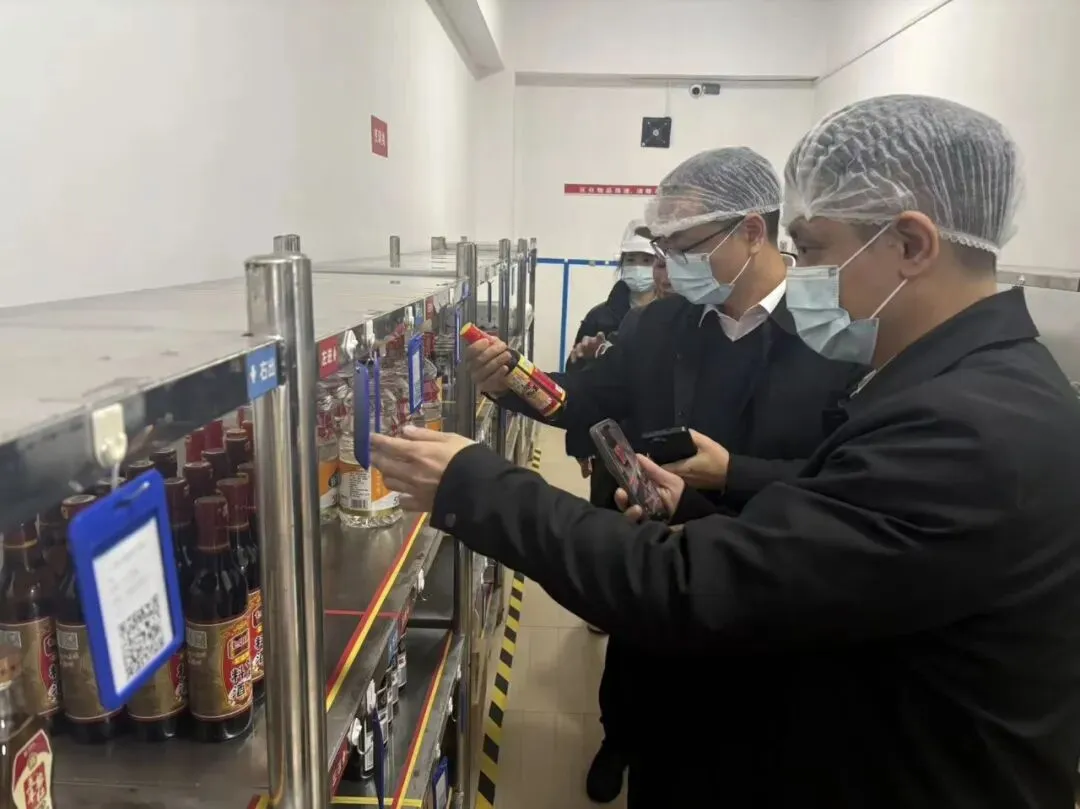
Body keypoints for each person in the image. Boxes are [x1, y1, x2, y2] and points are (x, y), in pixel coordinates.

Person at [372, 94, 1080, 809]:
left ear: (912, 245)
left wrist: (474, 484)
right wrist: (689, 506)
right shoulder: (958, 383)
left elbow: (693, 584)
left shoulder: (969, 429)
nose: (805, 270)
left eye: (815, 249)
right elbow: (829, 543)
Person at [402, 147, 861, 804]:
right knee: (642, 700)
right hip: (655, 561)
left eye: (685, 246)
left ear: (752, 232)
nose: (669, 265)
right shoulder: (662, 322)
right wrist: (513, 382)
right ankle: (620, 741)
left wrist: (733, 473)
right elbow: (586, 400)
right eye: (662, 248)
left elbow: (840, 479)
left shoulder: (833, 333)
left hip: (769, 586)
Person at [564, 219, 658, 373]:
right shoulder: (598, 316)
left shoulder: (673, 314)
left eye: (646, 260)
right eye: (631, 260)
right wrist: (589, 356)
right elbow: (574, 368)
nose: (637, 267)